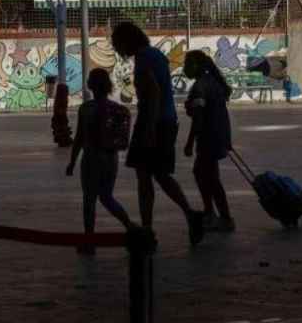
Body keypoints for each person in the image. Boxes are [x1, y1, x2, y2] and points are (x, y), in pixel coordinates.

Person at [110, 22, 206, 246]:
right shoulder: (156, 55)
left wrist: (149, 129)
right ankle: (191, 215)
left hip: (153, 123)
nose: (116, 48)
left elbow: (152, 92)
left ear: (126, 41)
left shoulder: (144, 59)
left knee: (144, 178)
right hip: (167, 121)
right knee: (161, 175)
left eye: (117, 43)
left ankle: (147, 230)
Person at [67, 69, 137, 255]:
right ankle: (130, 225)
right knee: (107, 197)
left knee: (89, 200)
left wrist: (72, 162)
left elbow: (80, 138)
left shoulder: (86, 108)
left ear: (90, 85)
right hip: (110, 159)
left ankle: (89, 241)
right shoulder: (116, 109)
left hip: (91, 159)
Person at [182, 50, 235, 232]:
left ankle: (221, 216)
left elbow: (198, 119)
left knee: (209, 177)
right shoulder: (213, 82)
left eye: (187, 64)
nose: (184, 68)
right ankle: (212, 213)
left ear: (196, 66)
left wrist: (189, 143)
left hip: (208, 138)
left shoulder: (200, 87)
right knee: (205, 174)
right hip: (218, 135)